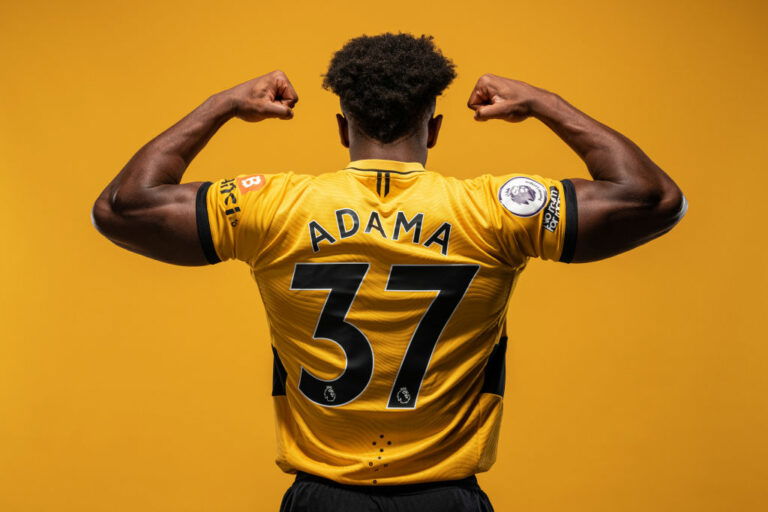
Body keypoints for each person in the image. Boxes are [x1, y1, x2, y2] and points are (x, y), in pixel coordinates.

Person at [92, 33, 686, 512]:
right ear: (434, 128)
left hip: (322, 499)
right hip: (446, 500)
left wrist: (222, 105)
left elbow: (120, 208)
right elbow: (655, 199)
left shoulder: (272, 207)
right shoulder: (493, 211)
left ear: (342, 127)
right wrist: (543, 104)